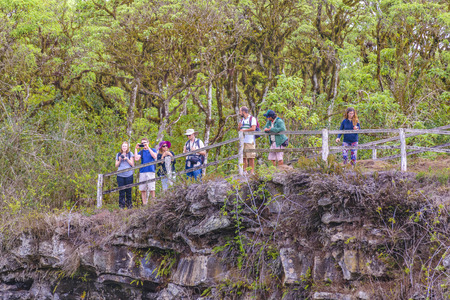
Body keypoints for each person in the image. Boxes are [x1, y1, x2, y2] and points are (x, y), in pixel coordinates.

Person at [134, 138, 157, 205]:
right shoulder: (141, 152)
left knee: (152, 188)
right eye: (142, 143)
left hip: (150, 171)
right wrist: (136, 149)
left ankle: (153, 203)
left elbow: (154, 156)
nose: (143, 144)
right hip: (143, 171)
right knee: (142, 189)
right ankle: (144, 204)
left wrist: (148, 147)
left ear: (148, 142)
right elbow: (136, 158)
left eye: (145, 142)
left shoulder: (153, 150)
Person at [115, 141, 135, 209]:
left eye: (125, 146)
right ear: (121, 147)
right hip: (120, 175)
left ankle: (129, 206)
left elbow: (132, 164)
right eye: (123, 146)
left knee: (128, 191)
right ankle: (121, 207)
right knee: (121, 192)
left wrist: (127, 159)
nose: (124, 147)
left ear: (127, 147)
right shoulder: (118, 154)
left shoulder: (130, 154)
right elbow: (116, 165)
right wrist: (120, 159)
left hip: (129, 175)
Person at [238, 106, 257, 175]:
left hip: (250, 140)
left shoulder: (252, 119)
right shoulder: (242, 120)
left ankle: (252, 172)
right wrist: (239, 127)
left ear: (243, 112)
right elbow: (239, 129)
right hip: (243, 141)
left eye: (240, 112)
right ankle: (245, 171)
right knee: (244, 157)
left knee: (251, 157)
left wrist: (244, 130)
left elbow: (253, 128)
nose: (239, 113)